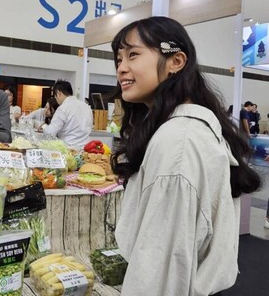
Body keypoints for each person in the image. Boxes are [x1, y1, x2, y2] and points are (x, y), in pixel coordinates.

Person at [110, 16, 261, 296]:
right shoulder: (181, 130)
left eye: (133, 55)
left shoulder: (177, 144)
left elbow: (159, 272)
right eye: (118, 59)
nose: (122, 68)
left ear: (176, 62)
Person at [43, 79, 93, 148]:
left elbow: (50, 133)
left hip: (68, 149)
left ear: (58, 93)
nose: (56, 100)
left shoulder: (63, 108)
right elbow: (89, 127)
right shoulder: (86, 107)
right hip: (85, 149)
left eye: (55, 96)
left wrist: (44, 127)